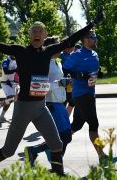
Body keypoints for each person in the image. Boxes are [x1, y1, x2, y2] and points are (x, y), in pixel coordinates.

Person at [0, 10, 103, 176]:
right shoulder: (20, 51)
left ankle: (59, 176)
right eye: (34, 31)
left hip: (41, 108)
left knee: (57, 145)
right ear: (29, 35)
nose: (37, 33)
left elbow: (71, 39)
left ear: (45, 35)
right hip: (23, 109)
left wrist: (92, 24)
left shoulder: (48, 51)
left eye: (40, 31)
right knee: (8, 150)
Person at [63, 30, 117, 164]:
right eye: (92, 37)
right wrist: (79, 76)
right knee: (93, 124)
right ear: (85, 40)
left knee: (76, 125)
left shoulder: (95, 54)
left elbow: (92, 71)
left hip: (90, 94)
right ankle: (102, 157)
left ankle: (50, 148)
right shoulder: (77, 55)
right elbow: (65, 70)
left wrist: (98, 74)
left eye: (95, 37)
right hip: (80, 94)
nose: (95, 39)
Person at [25, 37, 73, 166]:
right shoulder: (44, 63)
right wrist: (59, 83)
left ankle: (38, 154)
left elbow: (57, 81)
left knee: (66, 136)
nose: (60, 47)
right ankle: (55, 167)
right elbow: (36, 85)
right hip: (50, 103)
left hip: (60, 103)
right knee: (62, 137)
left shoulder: (57, 62)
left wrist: (66, 82)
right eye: (57, 45)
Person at [0, 55, 18, 122]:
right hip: (5, 83)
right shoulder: (6, 61)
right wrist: (15, 70)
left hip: (11, 83)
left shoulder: (16, 61)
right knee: (11, 97)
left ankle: (1, 116)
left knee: (10, 100)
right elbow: (6, 71)